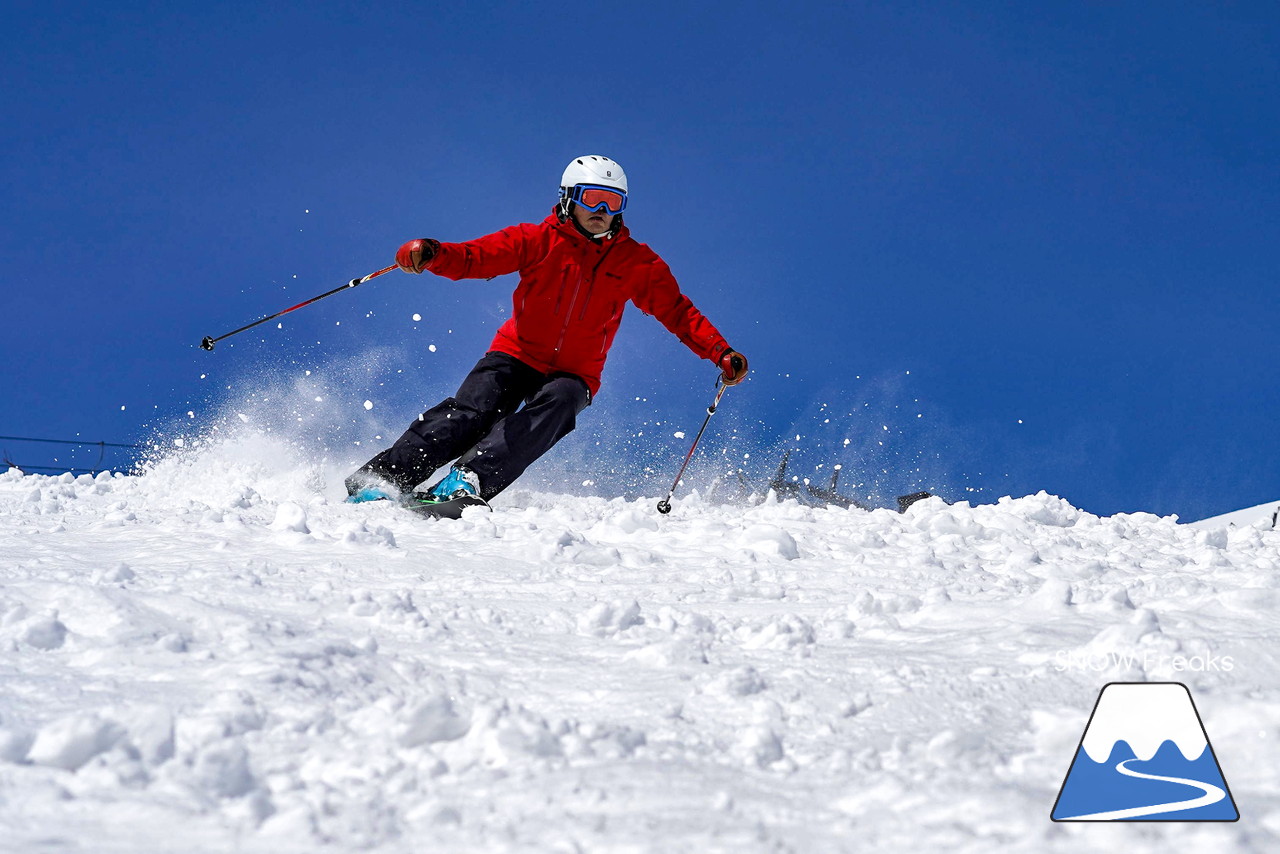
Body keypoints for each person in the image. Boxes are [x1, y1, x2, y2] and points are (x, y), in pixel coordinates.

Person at [345, 155, 748, 505]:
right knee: (473, 412)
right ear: (569, 197)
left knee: (557, 406)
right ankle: (386, 477)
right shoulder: (537, 240)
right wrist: (432, 254)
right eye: (593, 198)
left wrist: (720, 352)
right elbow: (476, 257)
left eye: (614, 202)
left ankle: (469, 480)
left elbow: (678, 311)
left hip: (575, 373)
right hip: (516, 354)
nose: (602, 209)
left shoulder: (636, 263)